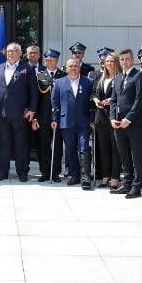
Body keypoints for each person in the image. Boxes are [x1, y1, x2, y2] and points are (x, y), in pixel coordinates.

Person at [0, 42, 37, 182]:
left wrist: (32, 109)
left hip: (21, 114)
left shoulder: (27, 68)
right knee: (4, 144)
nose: (11, 53)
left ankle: (22, 172)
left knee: (21, 144)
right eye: (9, 51)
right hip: (2, 113)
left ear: (20, 53)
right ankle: (3, 172)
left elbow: (34, 91)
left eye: (14, 51)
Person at [109, 48, 142, 198]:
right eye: (122, 59)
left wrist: (128, 119)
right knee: (124, 155)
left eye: (127, 59)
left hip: (134, 124)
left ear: (132, 60)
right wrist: (112, 118)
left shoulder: (139, 76)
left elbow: (140, 100)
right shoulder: (118, 77)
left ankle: (136, 186)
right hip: (118, 124)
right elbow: (113, 100)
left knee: (137, 155)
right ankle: (127, 183)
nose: (124, 62)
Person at [52, 57, 94, 189]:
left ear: (80, 67)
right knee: (70, 149)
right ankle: (74, 175)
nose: (73, 68)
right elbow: (55, 103)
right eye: (70, 66)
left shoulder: (88, 82)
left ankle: (85, 176)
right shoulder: (59, 83)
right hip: (66, 121)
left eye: (76, 66)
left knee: (84, 147)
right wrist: (54, 119)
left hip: (84, 121)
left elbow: (92, 103)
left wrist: (92, 119)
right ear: (66, 68)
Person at [33, 49, 65, 182]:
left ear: (57, 61)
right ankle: (45, 172)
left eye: (52, 60)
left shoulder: (63, 75)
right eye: (47, 60)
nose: (49, 62)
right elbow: (35, 98)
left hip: (58, 117)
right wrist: (34, 117)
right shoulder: (39, 76)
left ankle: (55, 172)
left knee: (57, 146)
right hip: (42, 117)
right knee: (43, 146)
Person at [93, 51, 120, 190]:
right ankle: (105, 176)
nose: (109, 63)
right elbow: (93, 93)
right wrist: (96, 99)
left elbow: (123, 96)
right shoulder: (100, 77)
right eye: (107, 61)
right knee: (103, 149)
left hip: (113, 116)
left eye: (111, 61)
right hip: (100, 117)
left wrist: (113, 100)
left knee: (115, 148)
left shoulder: (120, 77)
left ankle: (115, 178)